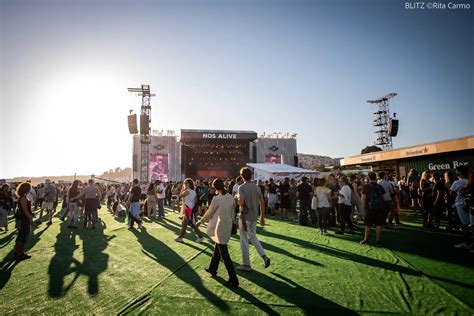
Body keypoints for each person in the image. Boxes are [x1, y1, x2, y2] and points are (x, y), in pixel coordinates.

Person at [196, 179, 239, 287]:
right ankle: (212, 269)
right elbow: (234, 211)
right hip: (228, 225)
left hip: (219, 227)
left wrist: (200, 221)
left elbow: (209, 213)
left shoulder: (217, 199)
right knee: (218, 247)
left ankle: (234, 279)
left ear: (215, 188)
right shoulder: (230, 197)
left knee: (224, 254)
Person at [236, 167, 270, 271]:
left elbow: (240, 203)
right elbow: (262, 203)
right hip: (254, 216)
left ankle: (247, 265)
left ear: (242, 176)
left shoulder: (241, 187)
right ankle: (264, 256)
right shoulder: (257, 187)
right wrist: (262, 217)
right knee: (252, 236)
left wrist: (237, 198)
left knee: (244, 241)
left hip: (244, 217)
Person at [360, 172, 386, 246]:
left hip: (369, 208)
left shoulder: (366, 186)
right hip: (380, 208)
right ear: (376, 177)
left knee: (368, 225)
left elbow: (363, 198)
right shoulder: (380, 186)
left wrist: (362, 208)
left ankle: (366, 240)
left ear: (368, 178)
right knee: (378, 224)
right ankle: (378, 241)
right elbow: (383, 197)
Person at [175, 178, 204, 243]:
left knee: (192, 224)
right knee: (184, 224)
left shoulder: (187, 191)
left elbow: (180, 195)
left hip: (188, 209)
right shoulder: (193, 191)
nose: (184, 184)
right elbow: (195, 201)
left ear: (189, 184)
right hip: (190, 209)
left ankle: (200, 237)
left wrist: (182, 188)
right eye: (184, 183)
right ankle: (180, 237)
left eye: (186, 183)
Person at [450, 165, 471, 249]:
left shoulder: (457, 182)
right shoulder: (469, 181)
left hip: (460, 204)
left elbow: (451, 193)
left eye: (457, 171)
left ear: (459, 172)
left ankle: (467, 243)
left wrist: (459, 193)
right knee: (470, 223)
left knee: (465, 224)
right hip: (469, 204)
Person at [14, 182, 33, 260]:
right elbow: (24, 209)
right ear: (26, 189)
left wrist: (31, 214)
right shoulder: (23, 197)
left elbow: (25, 209)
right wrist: (30, 217)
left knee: (21, 235)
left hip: (23, 218)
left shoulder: (22, 197)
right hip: (24, 219)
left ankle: (18, 252)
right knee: (23, 236)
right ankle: (20, 253)